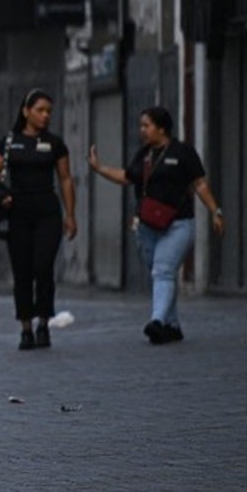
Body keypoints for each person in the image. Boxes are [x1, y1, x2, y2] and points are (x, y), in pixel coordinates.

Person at [85, 107, 224, 345]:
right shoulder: (144, 155)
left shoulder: (183, 152)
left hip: (178, 224)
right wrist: (100, 169)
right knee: (162, 275)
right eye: (141, 125)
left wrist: (215, 211)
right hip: (147, 226)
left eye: (146, 125)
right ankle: (173, 326)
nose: (142, 130)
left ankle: (157, 321)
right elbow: (127, 177)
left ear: (162, 128)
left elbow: (199, 184)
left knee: (162, 271)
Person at [0, 89, 78, 350]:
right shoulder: (9, 141)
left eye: (49, 111)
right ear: (26, 111)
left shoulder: (55, 143)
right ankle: (25, 326)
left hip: (47, 210)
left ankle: (43, 323)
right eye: (40, 110)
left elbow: (65, 179)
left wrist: (70, 214)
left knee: (43, 266)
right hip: (17, 210)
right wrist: (0, 195)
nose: (45, 115)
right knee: (22, 270)